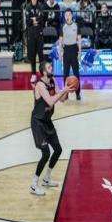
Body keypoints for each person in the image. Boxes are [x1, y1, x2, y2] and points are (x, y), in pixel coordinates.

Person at [29, 61, 73, 196]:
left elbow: (62, 99)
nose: (51, 68)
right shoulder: (40, 85)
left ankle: (47, 178)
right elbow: (50, 101)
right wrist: (63, 91)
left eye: (51, 66)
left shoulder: (53, 81)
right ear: (43, 72)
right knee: (46, 153)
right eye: (49, 67)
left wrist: (68, 90)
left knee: (58, 150)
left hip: (47, 121)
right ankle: (33, 185)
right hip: (38, 123)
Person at [59, 9, 81, 100]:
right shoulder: (62, 26)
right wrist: (60, 53)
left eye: (69, 15)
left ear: (72, 16)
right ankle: (66, 94)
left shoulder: (76, 25)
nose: (67, 16)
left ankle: (78, 93)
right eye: (66, 15)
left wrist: (79, 52)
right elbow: (60, 41)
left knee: (76, 73)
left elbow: (79, 40)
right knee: (66, 74)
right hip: (66, 50)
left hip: (74, 49)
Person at [26, 0, 45, 83]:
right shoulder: (28, 7)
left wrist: (34, 19)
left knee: (41, 54)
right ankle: (33, 74)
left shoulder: (41, 6)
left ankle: (42, 73)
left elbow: (42, 19)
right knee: (32, 55)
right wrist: (35, 20)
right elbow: (27, 22)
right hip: (31, 34)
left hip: (39, 33)